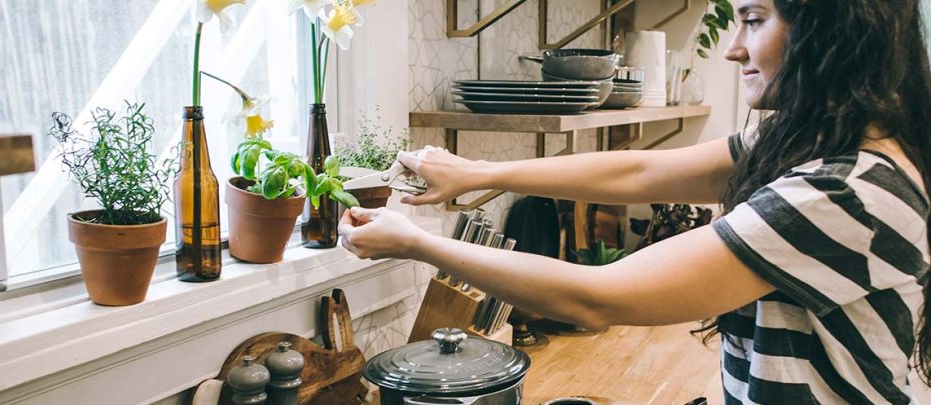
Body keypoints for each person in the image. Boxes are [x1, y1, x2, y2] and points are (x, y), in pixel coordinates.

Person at [339, 0, 931, 403]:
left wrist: (417, 242)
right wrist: (479, 172)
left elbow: (598, 297)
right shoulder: (813, 140)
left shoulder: (844, 189)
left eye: (752, 19)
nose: (732, 49)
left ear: (834, 27)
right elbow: (643, 170)